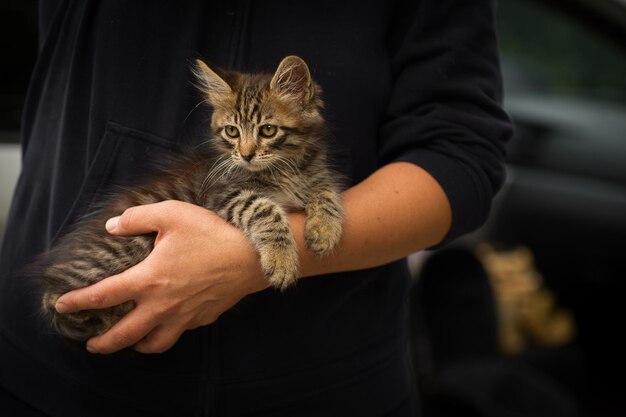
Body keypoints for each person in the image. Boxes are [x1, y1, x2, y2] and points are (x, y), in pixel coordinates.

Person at [0, 1, 512, 416]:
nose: (244, 152)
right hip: (62, 381)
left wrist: (262, 256)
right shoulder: (230, 148)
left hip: (326, 380)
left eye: (262, 133)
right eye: (232, 135)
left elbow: (462, 153)